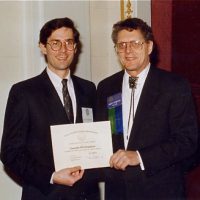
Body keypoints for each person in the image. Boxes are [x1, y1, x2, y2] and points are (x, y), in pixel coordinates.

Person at [96, 17, 198, 200]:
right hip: (118, 191)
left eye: (135, 43)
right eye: (122, 45)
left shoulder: (174, 86)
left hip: (160, 190)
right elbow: (103, 134)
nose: (128, 51)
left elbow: (187, 141)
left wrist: (140, 157)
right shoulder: (105, 87)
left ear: (149, 46)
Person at [1, 17, 99, 200]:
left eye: (69, 43)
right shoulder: (23, 92)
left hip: (86, 194)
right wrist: (52, 177)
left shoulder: (89, 89)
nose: (63, 50)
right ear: (43, 47)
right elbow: (10, 153)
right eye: (55, 43)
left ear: (76, 48)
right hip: (45, 194)